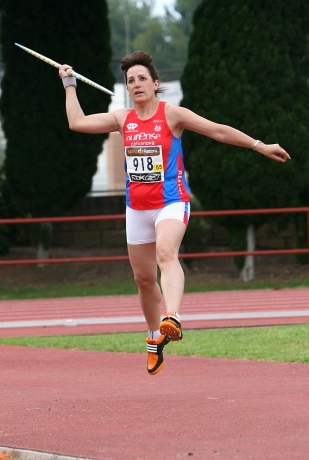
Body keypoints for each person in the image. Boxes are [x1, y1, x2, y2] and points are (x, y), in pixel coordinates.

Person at [58, 51, 291, 375]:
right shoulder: (121, 118)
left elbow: (217, 130)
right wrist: (70, 84)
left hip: (171, 202)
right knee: (143, 279)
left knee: (166, 253)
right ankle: (155, 338)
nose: (136, 84)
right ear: (127, 89)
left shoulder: (173, 115)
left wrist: (259, 145)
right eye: (130, 81)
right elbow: (77, 123)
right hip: (136, 208)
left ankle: (174, 318)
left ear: (155, 83)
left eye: (142, 78)